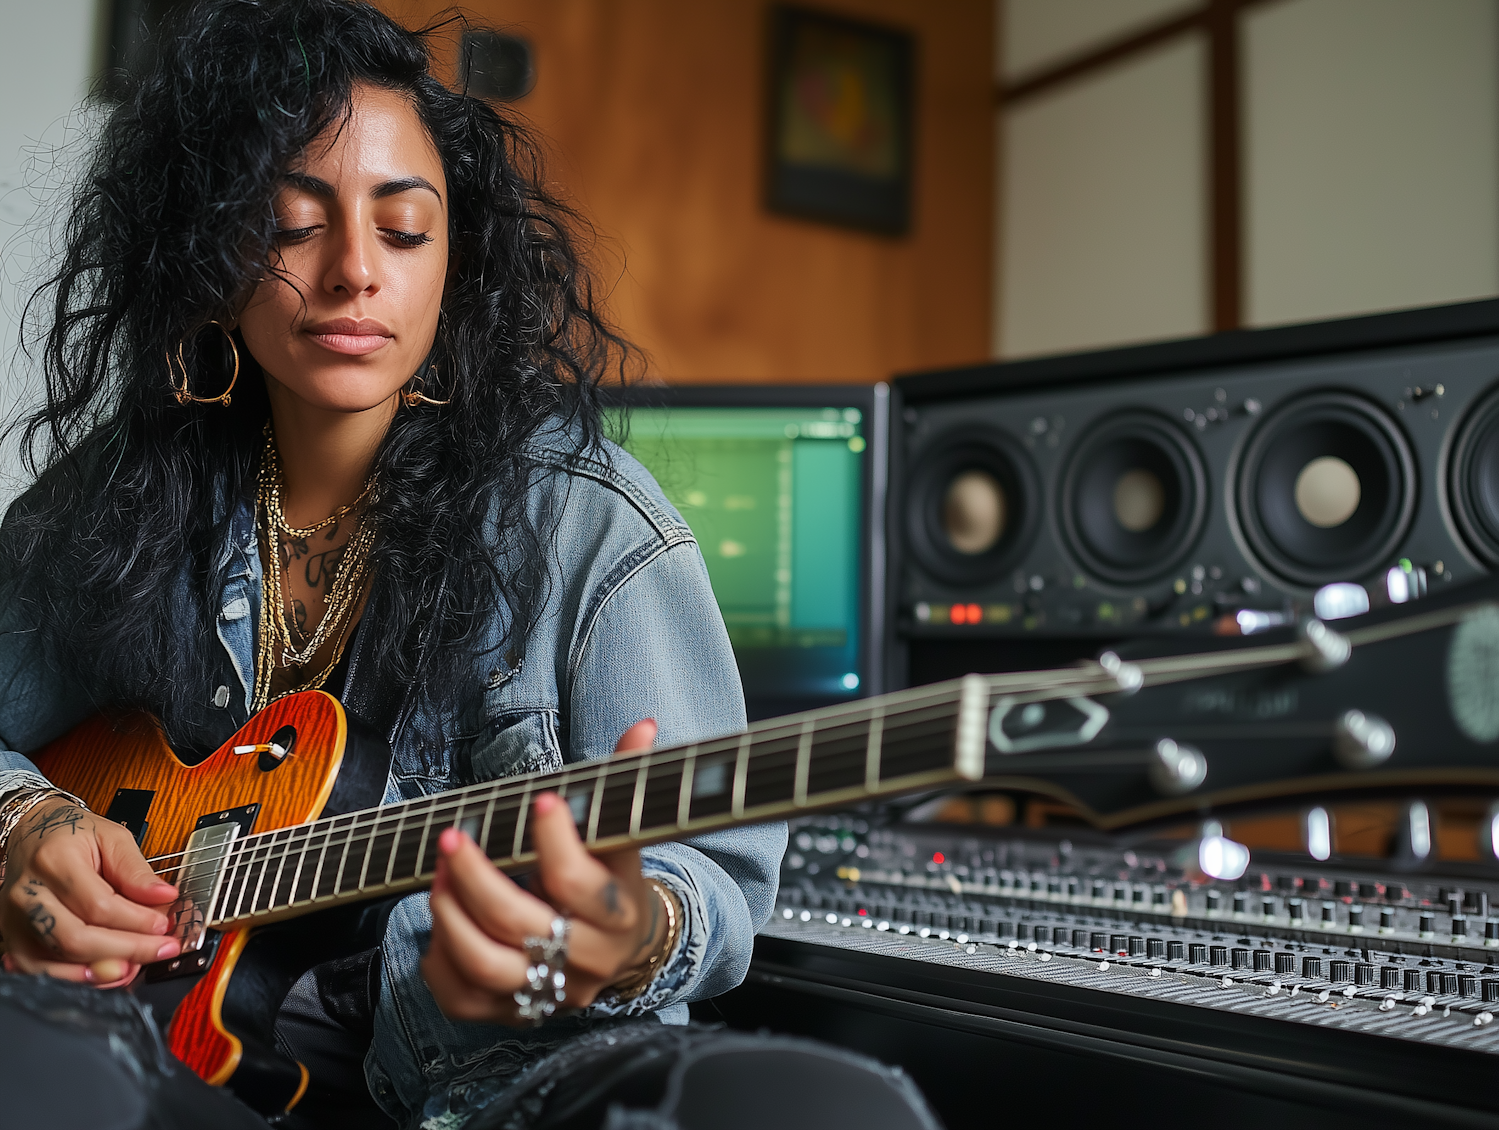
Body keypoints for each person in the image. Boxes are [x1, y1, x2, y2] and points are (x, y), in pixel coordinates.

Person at [0, 2, 941, 1129]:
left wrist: (622, 935)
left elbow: (709, 884)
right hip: (163, 1060)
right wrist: (21, 827)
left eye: (404, 230)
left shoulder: (594, 531)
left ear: (458, 263)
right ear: (213, 254)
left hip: (488, 1091)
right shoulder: (121, 494)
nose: (355, 271)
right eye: (292, 226)